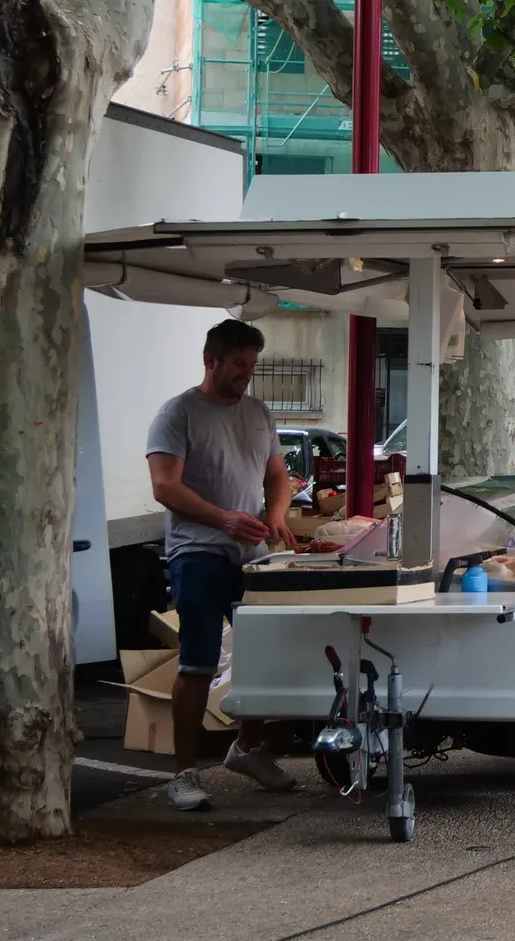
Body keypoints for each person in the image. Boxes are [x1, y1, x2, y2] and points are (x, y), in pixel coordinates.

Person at [145, 319, 299, 812]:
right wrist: (224, 520)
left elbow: (278, 475)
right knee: (198, 662)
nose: (245, 375)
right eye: (238, 364)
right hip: (197, 551)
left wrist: (273, 516)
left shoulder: (258, 412)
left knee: (263, 658)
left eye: (251, 365)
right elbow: (165, 486)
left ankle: (247, 749)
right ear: (210, 360)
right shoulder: (178, 413)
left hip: (253, 555)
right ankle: (183, 773)